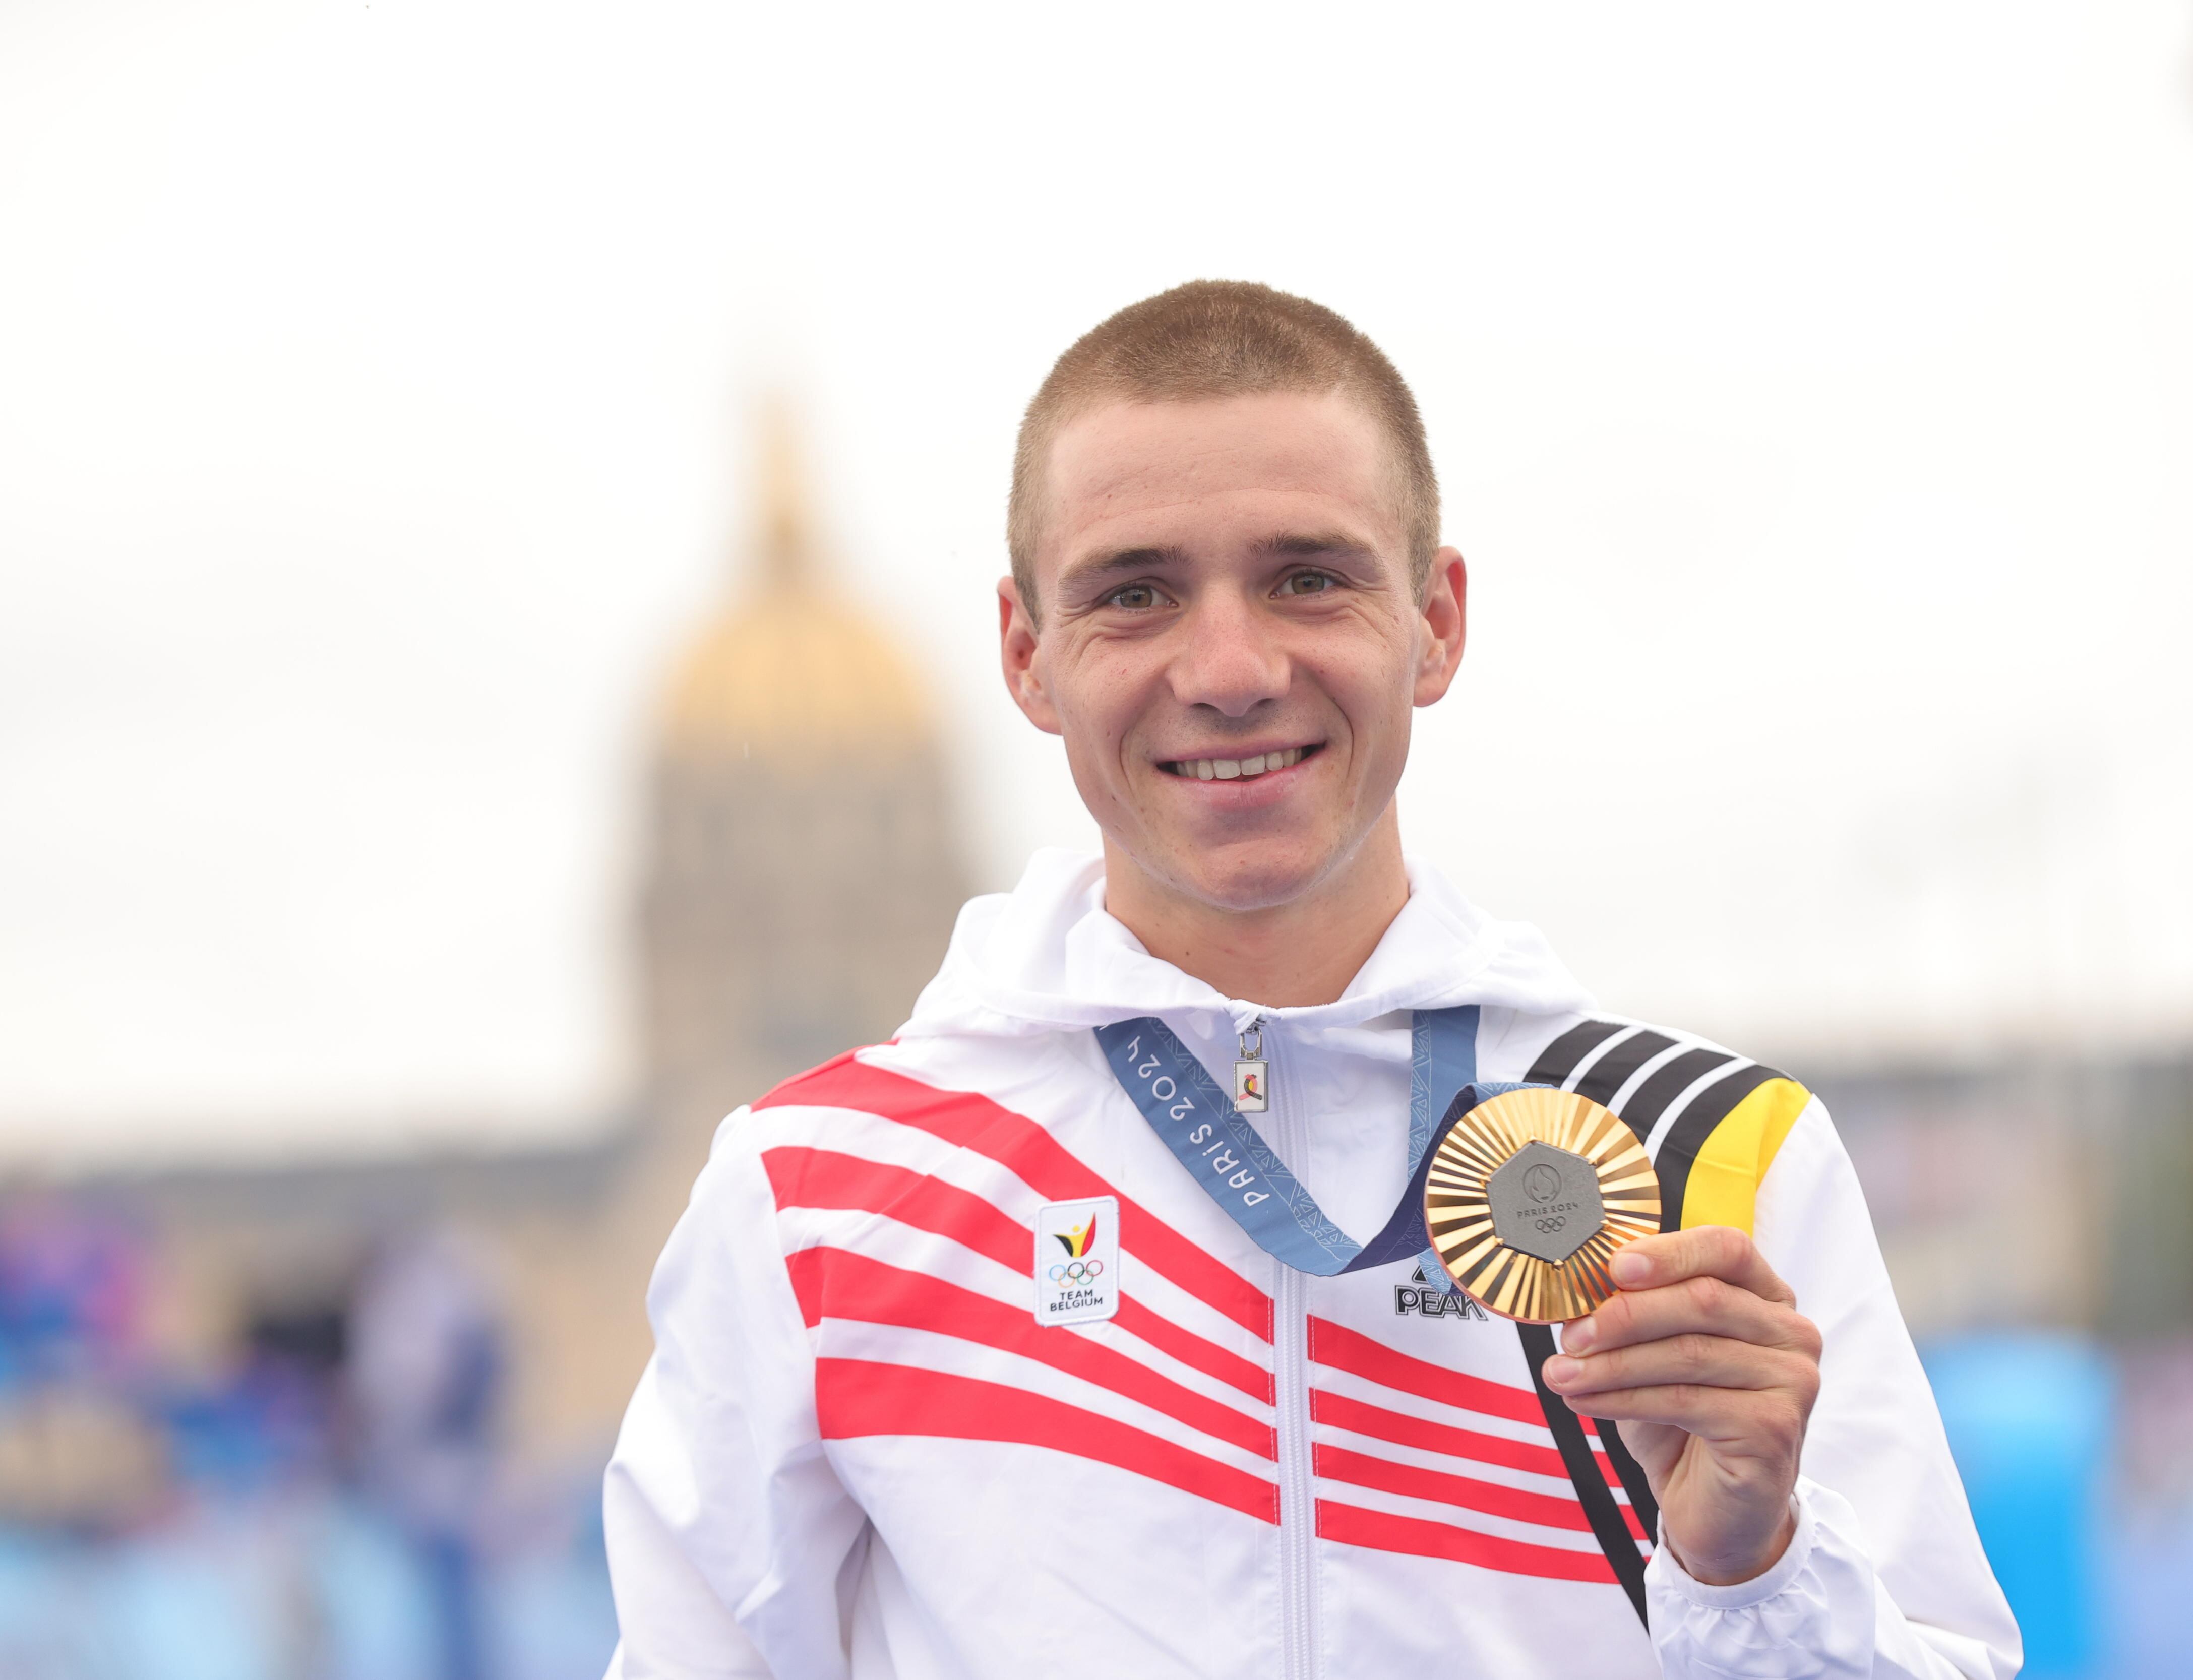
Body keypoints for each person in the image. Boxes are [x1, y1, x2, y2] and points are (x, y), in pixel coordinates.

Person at [602, 281, 2020, 1678]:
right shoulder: (814, 1195)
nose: (1229, 669)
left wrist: (1754, 1574)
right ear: (1029, 657)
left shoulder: (1712, 1153)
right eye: (1137, 595)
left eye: (1308, 578)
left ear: (1437, 620)